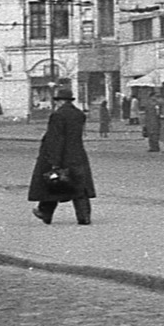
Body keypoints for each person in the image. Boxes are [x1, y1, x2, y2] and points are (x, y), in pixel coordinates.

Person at [29, 88, 95, 225]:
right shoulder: (79, 114)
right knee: (79, 186)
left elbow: (56, 139)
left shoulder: (58, 115)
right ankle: (84, 216)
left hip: (62, 155)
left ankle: (45, 212)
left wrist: (54, 161)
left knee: (54, 184)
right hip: (77, 154)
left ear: (60, 101)